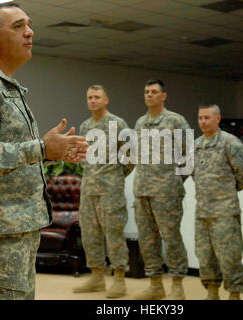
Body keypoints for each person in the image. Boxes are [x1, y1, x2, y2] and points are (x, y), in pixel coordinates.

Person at [0, 2, 88, 300]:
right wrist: (42, 148)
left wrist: (48, 151)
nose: (29, 32)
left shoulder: (5, 87)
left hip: (16, 227)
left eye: (29, 25)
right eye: (18, 26)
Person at [73, 85, 133, 298]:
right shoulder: (86, 125)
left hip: (110, 189)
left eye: (97, 97)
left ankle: (119, 279)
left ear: (106, 100)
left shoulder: (118, 124)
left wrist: (115, 176)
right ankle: (97, 277)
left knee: (114, 234)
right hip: (89, 188)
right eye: (89, 97)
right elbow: (84, 156)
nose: (93, 101)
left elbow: (130, 157)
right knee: (90, 234)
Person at [133, 79, 189, 300]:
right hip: (142, 190)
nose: (149, 95)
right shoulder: (140, 123)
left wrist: (172, 181)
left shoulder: (175, 121)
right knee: (147, 240)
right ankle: (155, 284)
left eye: (154, 92)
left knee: (171, 237)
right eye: (146, 91)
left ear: (163, 96)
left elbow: (189, 156)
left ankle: (177, 284)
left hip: (167, 192)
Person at [193, 104, 243, 300]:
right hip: (203, 212)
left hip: (225, 212)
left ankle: (234, 294)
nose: (203, 121)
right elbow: (195, 175)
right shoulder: (196, 145)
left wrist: (229, 190)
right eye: (201, 118)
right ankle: (212, 292)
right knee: (205, 256)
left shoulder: (230, 142)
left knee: (230, 256)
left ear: (217, 119)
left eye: (207, 118)